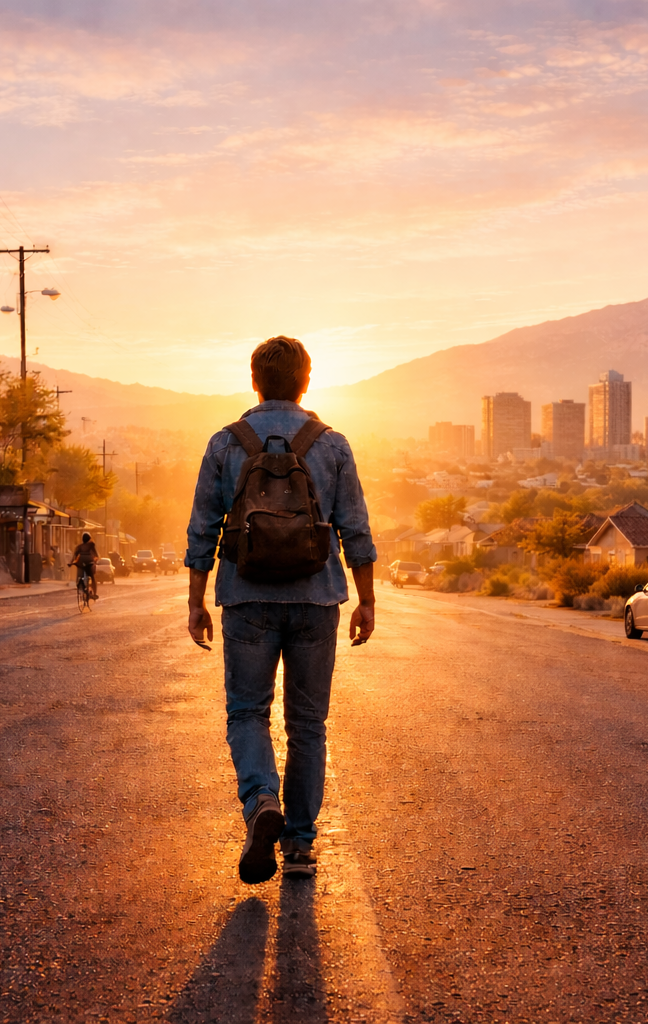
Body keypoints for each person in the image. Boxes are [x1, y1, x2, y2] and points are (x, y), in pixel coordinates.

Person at [186, 335, 376, 884]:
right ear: (306, 382)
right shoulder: (332, 444)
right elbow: (355, 529)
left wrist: (196, 601)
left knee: (248, 713)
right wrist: (366, 600)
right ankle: (298, 845)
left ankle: (261, 800)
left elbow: (202, 528)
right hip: (316, 600)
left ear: (254, 381)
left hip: (246, 598)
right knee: (307, 725)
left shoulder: (226, 443)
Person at [71, 531, 99, 599]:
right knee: (92, 578)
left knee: (79, 576)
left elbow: (74, 556)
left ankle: (80, 585)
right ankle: (94, 594)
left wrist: (71, 563)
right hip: (89, 563)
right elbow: (96, 555)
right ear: (89, 539)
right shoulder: (91, 545)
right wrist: (95, 560)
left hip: (80, 563)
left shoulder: (79, 547)